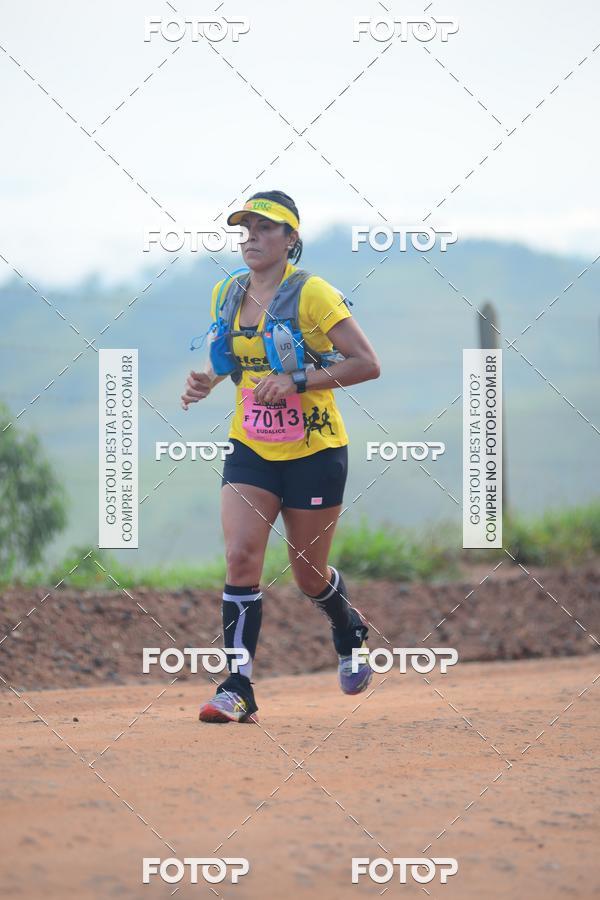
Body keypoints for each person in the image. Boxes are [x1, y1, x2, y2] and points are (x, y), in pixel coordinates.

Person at [181, 190, 381, 723]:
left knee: (307, 575)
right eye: (245, 227)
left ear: (291, 238)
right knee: (241, 558)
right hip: (251, 447)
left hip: (315, 452)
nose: (252, 236)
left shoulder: (312, 294)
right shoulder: (227, 291)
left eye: (266, 228)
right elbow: (234, 358)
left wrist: (296, 381)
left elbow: (366, 364)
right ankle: (237, 686)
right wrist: (209, 379)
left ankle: (346, 624)